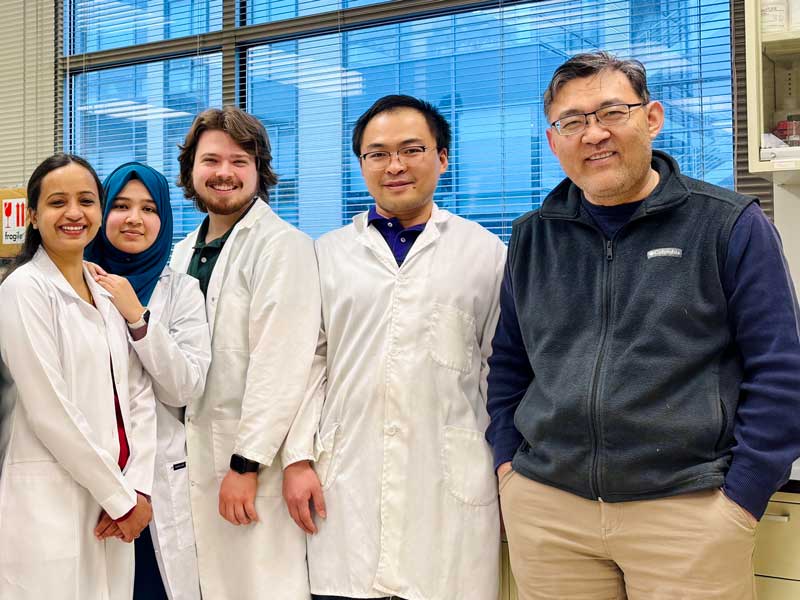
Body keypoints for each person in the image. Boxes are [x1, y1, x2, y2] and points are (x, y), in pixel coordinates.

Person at [487, 50, 800, 600]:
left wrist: (742, 499)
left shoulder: (728, 224)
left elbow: (780, 371)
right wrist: (510, 470)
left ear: (651, 117)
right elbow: (510, 364)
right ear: (553, 139)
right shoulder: (532, 237)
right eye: (574, 122)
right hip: (550, 511)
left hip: (687, 512)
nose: (594, 134)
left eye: (612, 113)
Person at [281, 95, 506, 600]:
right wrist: (296, 459)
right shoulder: (327, 254)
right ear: (360, 163)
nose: (395, 166)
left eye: (412, 149)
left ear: (442, 158)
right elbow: (308, 364)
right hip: (345, 483)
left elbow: (501, 370)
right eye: (377, 153)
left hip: (448, 484)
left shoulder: (486, 252)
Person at [169, 106, 320, 600]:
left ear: (260, 171)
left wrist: (245, 464)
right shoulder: (182, 250)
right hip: (193, 458)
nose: (224, 173)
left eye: (240, 160)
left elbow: (282, 364)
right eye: (211, 160)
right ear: (192, 169)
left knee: (259, 586)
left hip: (250, 468)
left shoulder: (283, 247)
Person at [0, 153, 157, 600]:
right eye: (57, 202)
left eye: (86, 200)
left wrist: (138, 489)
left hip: (115, 500)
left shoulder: (107, 293)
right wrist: (123, 500)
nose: (74, 213)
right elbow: (50, 411)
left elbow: (137, 396)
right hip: (50, 501)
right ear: (32, 215)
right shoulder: (22, 290)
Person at [85, 161, 211, 600]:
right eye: (120, 206)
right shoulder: (74, 280)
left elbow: (184, 387)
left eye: (148, 208)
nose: (135, 219)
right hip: (86, 475)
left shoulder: (181, 290)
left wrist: (137, 317)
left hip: (154, 484)